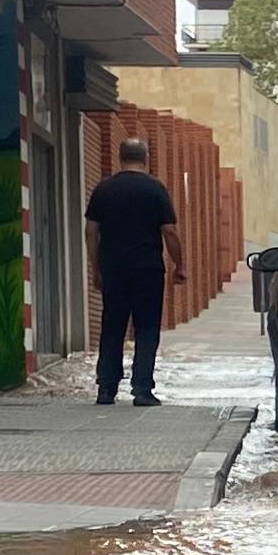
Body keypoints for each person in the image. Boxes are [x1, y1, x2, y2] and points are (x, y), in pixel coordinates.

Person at [85, 136, 187, 407]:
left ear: (120, 157)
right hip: (147, 270)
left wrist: (96, 268)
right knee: (146, 328)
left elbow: (91, 231)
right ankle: (142, 389)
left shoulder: (104, 189)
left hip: (113, 269)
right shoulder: (155, 189)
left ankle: (106, 389)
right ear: (146, 158)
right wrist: (180, 265)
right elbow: (169, 232)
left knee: (112, 326)